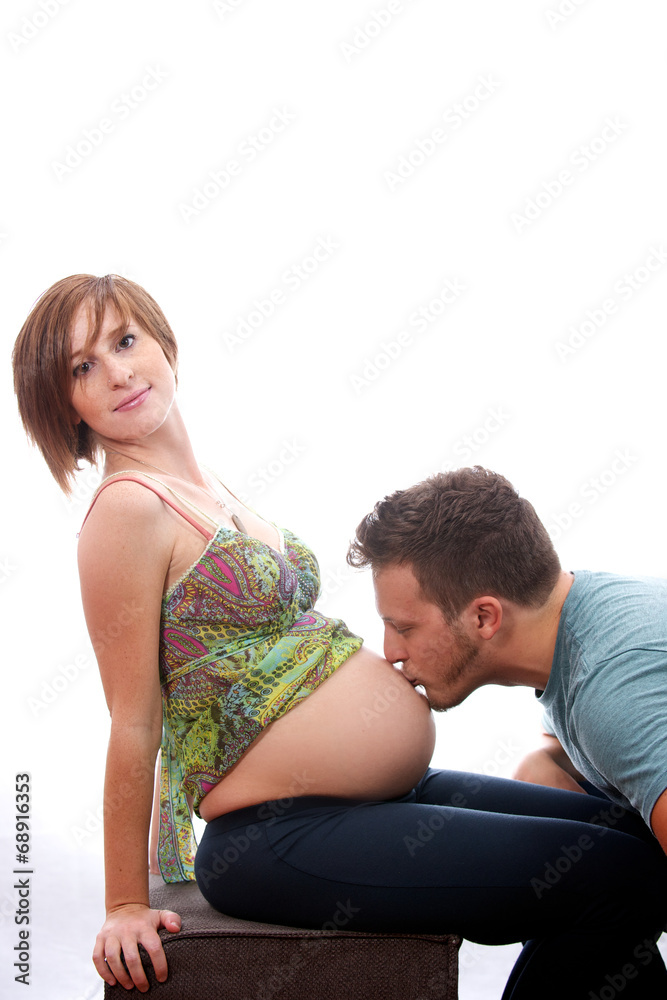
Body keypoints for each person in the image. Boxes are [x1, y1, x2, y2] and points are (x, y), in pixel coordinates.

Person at [13, 276, 667, 1000]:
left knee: (629, 839)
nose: (117, 371)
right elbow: (133, 718)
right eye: (83, 366)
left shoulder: (209, 489)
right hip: (277, 833)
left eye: (125, 340)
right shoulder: (125, 510)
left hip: (376, 797)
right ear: (64, 405)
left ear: (163, 343)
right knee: (618, 878)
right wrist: (122, 904)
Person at [348, 464, 667, 857]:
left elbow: (622, 713)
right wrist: (543, 759)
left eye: (404, 628)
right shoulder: (580, 616)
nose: (391, 652)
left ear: (484, 617)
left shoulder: (611, 691)